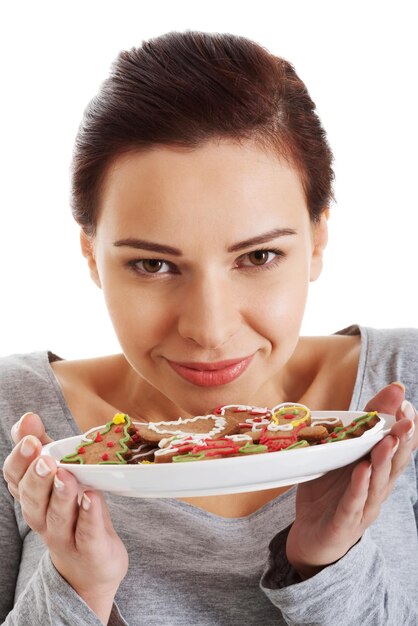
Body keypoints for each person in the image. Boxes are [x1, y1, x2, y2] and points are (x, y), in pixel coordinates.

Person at [1, 30, 417, 626]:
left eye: (258, 257)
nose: (210, 329)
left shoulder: (405, 383)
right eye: (153, 264)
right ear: (92, 256)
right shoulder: (16, 419)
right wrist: (78, 588)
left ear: (318, 237)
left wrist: (328, 563)